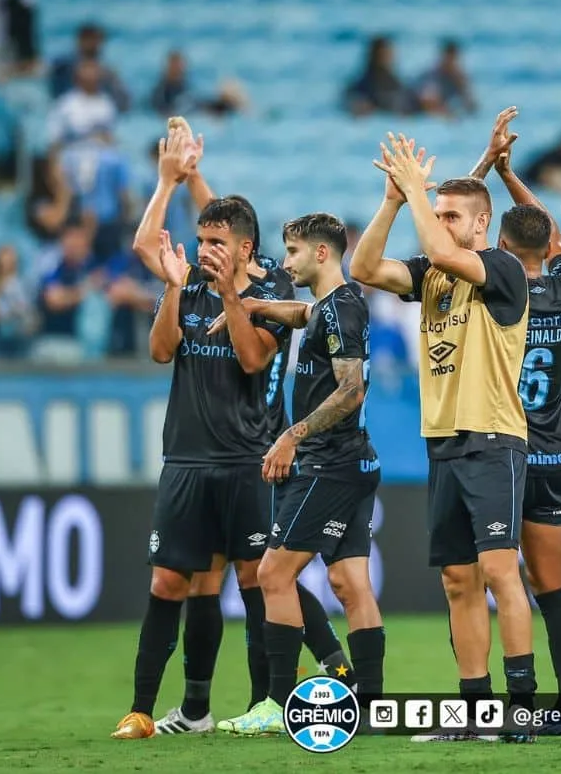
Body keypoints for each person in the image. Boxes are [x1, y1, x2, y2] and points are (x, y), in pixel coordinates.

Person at [130, 119, 354, 736]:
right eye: (202, 241)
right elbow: (162, 251)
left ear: (245, 250)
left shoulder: (276, 290)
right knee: (202, 579)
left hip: (256, 455)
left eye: (216, 241)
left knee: (261, 575)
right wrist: (173, 178)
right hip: (190, 459)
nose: (206, 249)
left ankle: (309, 680)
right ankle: (191, 709)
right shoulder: (193, 281)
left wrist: (193, 182)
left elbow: (254, 357)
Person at [350, 133, 537, 743]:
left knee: (499, 570)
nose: (442, 221)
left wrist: (416, 196)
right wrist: (392, 202)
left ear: (481, 224)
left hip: (494, 439)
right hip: (446, 441)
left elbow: (439, 248)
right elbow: (363, 268)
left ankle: (523, 707)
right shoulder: (434, 273)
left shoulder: (503, 270)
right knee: (458, 579)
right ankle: (475, 712)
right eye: (441, 212)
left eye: (453, 214)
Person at [214, 213, 386, 734]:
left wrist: (292, 435)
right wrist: (259, 305)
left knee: (272, 573)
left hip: (326, 464)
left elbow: (351, 390)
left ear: (320, 254)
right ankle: (374, 705)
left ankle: (276, 701)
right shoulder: (337, 305)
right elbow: (306, 314)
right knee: (349, 581)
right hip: (353, 460)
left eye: (291, 252)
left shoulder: (342, 310)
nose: (284, 261)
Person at [471, 107, 561, 734]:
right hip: (553, 450)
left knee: (488, 577)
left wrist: (492, 168)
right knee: (550, 585)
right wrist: (516, 180)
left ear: (506, 249)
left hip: (499, 447)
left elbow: (459, 244)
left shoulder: (496, 285)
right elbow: (554, 234)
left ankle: (506, 699)